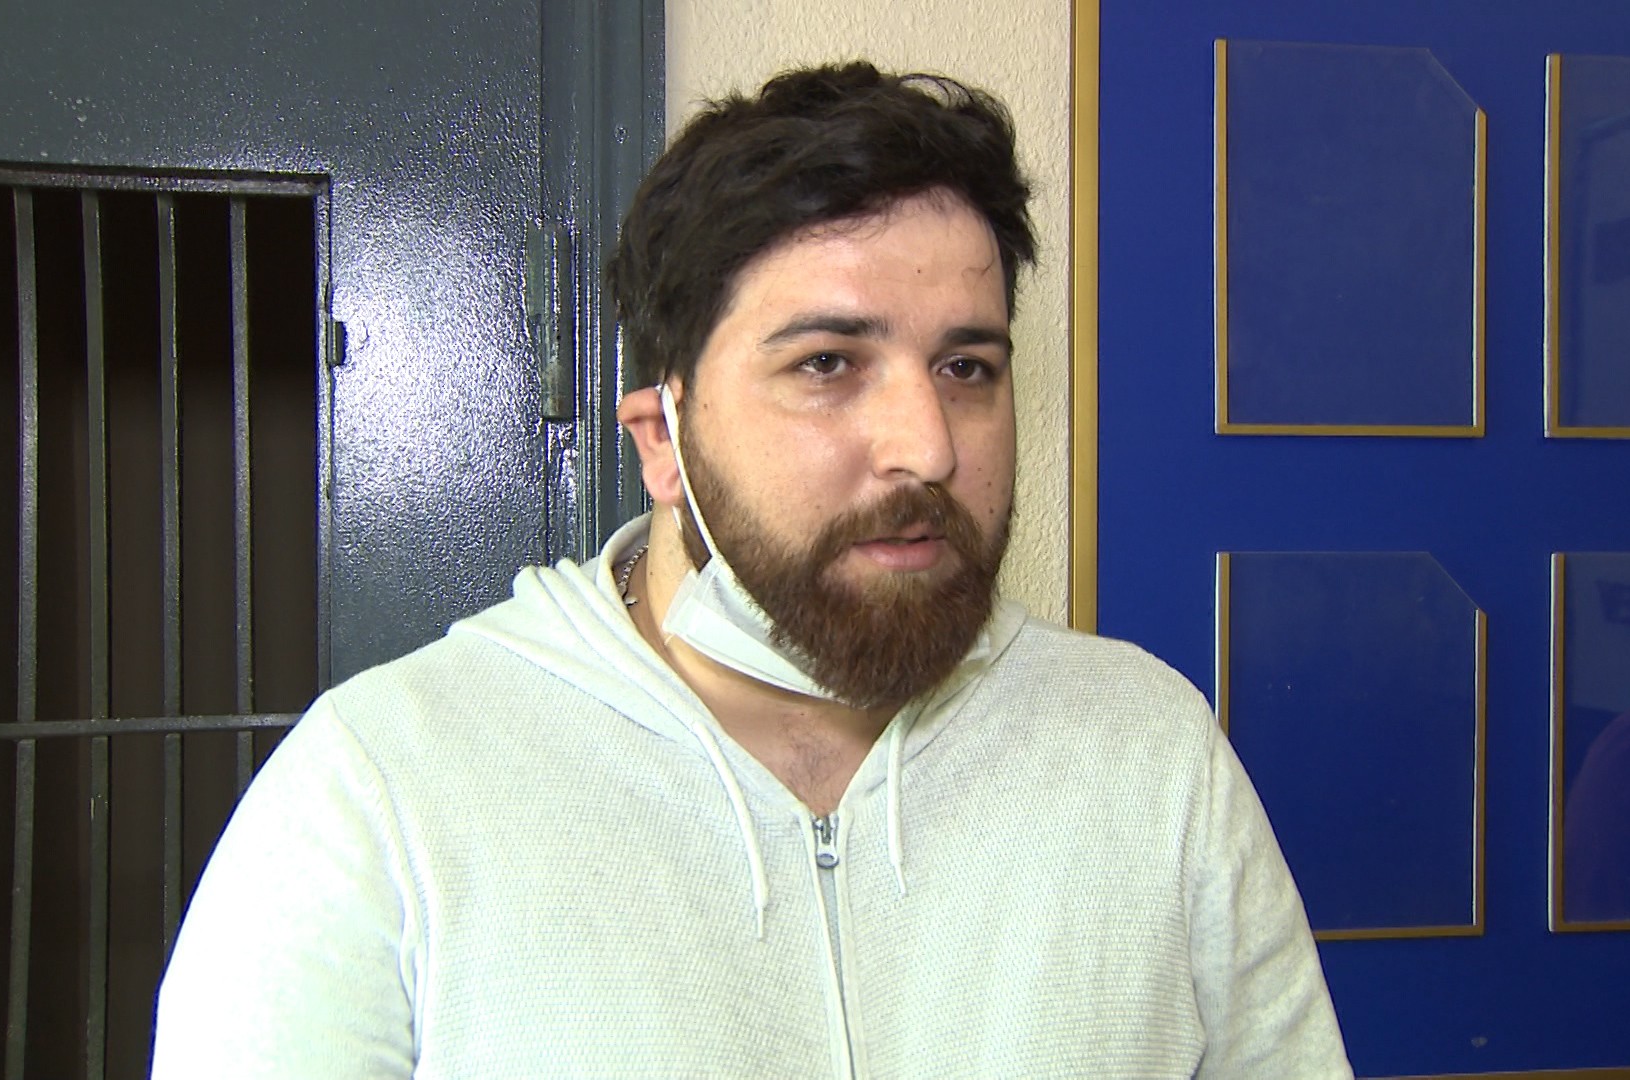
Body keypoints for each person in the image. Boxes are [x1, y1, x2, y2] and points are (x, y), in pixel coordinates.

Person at [152, 62, 1350, 1077]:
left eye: (967, 368)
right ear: (661, 438)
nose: (929, 447)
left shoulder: (1149, 754)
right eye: (828, 363)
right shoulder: (379, 794)